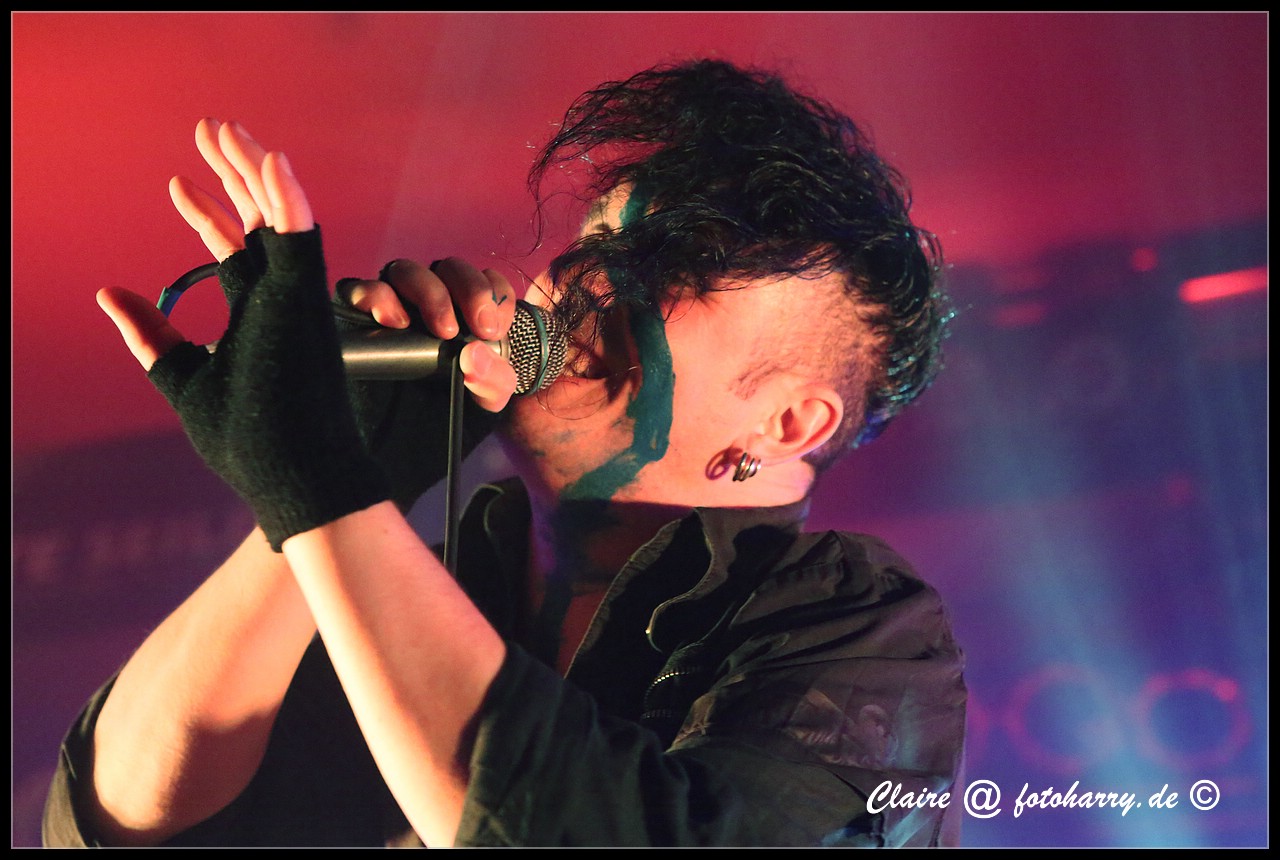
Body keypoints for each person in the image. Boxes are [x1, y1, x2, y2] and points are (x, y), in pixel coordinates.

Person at [43, 59, 966, 847]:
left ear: (789, 425)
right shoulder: (430, 585)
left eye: (674, 266)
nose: (581, 275)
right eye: (598, 238)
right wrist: (322, 497)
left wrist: (324, 495)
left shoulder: (863, 638)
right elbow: (122, 821)